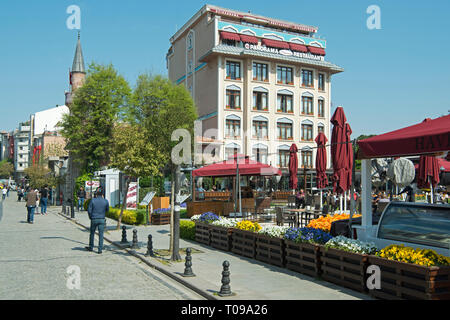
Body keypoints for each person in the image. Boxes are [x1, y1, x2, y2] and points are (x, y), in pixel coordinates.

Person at [86, 189, 109, 254]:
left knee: (92, 233)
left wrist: (91, 217)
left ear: (96, 194)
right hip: (101, 219)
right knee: (101, 234)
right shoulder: (105, 201)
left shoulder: (93, 200)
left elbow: (89, 210)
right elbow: (107, 210)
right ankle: (100, 249)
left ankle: (91, 247)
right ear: (102, 194)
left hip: (94, 218)